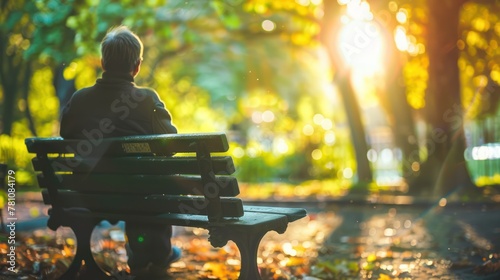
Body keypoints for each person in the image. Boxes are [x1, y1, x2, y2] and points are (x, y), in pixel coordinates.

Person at [59, 25, 180, 279]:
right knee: (153, 187)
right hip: (139, 195)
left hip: (91, 195)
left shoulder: (80, 99)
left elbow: (66, 133)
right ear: (137, 66)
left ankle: (143, 256)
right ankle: (156, 256)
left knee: (141, 187)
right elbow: (170, 143)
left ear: (103, 62)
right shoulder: (146, 100)